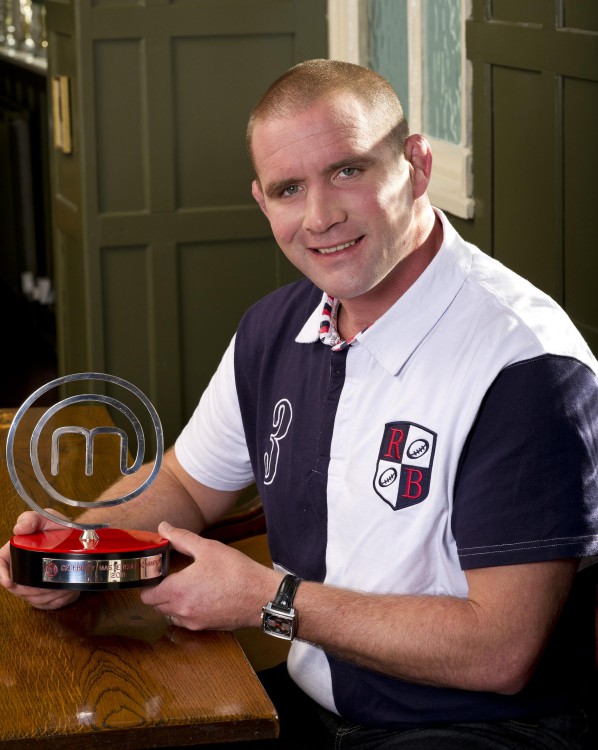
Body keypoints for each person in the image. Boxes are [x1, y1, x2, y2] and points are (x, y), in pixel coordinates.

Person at [1, 60, 597, 749]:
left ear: (416, 165)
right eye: (289, 189)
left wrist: (265, 601)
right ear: (263, 202)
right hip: (315, 704)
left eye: (348, 171)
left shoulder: (524, 366)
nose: (320, 217)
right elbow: (186, 486)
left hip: (480, 729)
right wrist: (81, 552)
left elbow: (502, 652)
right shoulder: (275, 326)